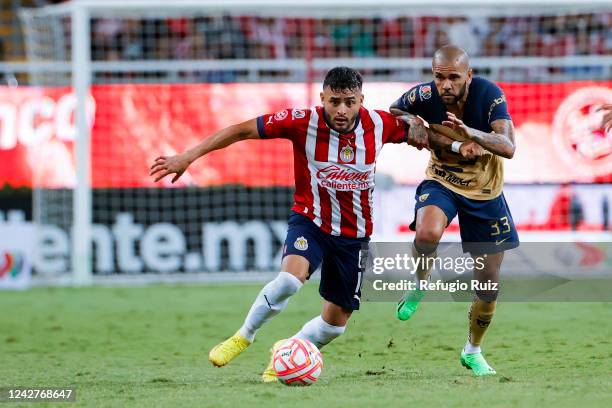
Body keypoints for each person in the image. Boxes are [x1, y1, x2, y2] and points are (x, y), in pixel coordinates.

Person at [150, 66, 427, 382]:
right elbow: (241, 130)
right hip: (311, 221)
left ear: (360, 100)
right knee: (289, 280)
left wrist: (444, 140)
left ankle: (287, 353)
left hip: (355, 236)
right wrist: (189, 155)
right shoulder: (301, 121)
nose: (341, 109)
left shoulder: (380, 124)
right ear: (322, 97)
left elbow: (427, 137)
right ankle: (244, 335)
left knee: (335, 325)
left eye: (349, 102)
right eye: (334, 101)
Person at [389, 45, 519, 376]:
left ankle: (472, 350)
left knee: (488, 287)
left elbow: (508, 147)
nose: (445, 85)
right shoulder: (424, 96)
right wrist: (411, 123)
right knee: (427, 232)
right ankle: (420, 281)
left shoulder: (489, 95)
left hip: (485, 194)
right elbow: (393, 111)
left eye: (453, 78)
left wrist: (471, 133)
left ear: (468, 76)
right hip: (442, 181)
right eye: (439, 77)